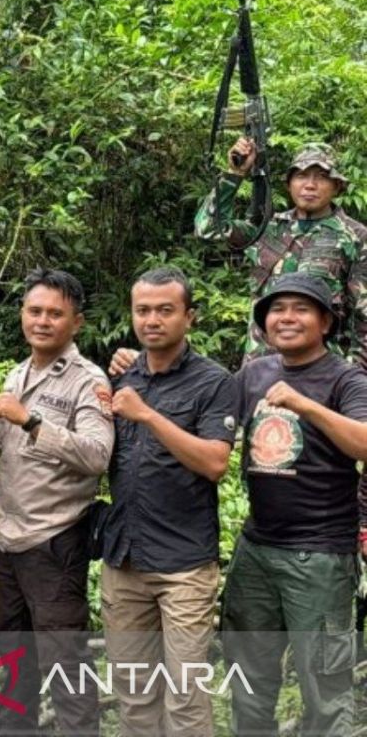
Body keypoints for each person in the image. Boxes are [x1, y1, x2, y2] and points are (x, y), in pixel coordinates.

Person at [222, 273, 367, 736]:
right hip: (256, 550)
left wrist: (306, 406)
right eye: (276, 309)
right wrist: (142, 363)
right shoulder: (254, 374)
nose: (286, 318)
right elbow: (205, 406)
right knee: (248, 681)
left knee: (324, 687)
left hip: (320, 556)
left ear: (325, 322)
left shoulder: (347, 379)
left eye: (301, 309)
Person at [100, 268, 236, 736]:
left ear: (189, 317)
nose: (152, 320)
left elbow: (215, 463)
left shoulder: (214, 382)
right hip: (124, 560)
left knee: (185, 696)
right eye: (142, 310)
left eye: (165, 310)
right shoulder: (122, 374)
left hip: (184, 567)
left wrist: (148, 415)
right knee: (134, 695)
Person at [0, 269, 113, 736]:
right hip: (8, 544)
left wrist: (32, 421)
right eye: (34, 311)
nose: (42, 321)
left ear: (76, 322)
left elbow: (97, 455)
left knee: (65, 664)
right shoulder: (18, 374)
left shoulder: (87, 380)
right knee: (13, 662)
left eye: (55, 314)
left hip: (54, 543)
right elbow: (10, 464)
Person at [195, 139, 367, 369]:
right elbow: (207, 229)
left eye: (322, 177)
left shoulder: (356, 237)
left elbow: (363, 318)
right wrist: (234, 174)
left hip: (321, 372)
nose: (310, 185)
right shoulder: (267, 228)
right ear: (289, 184)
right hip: (260, 368)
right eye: (301, 176)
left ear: (337, 186)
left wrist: (353, 377)